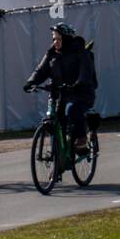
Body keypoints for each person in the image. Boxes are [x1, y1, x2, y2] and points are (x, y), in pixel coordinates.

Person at [25, 22, 97, 156]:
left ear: (66, 38)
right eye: (53, 39)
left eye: (58, 39)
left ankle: (81, 139)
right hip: (60, 94)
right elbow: (41, 70)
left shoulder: (81, 52)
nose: (55, 42)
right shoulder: (52, 53)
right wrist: (30, 82)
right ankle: (58, 159)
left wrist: (78, 84)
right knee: (54, 120)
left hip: (80, 94)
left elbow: (85, 73)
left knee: (72, 110)